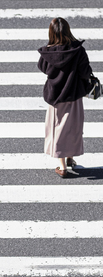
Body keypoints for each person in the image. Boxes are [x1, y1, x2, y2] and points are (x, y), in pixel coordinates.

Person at [38, 17, 92, 178]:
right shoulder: (77, 50)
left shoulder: (48, 51)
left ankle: (62, 166)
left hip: (55, 95)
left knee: (57, 129)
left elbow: (43, 68)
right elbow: (85, 72)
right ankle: (70, 157)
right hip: (74, 94)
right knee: (73, 127)